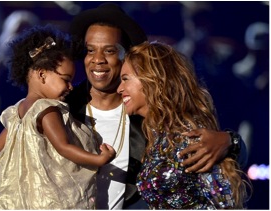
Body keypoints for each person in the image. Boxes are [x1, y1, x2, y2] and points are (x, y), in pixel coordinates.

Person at [67, 3, 248, 209]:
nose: (98, 60)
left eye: (109, 50)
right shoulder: (64, 108)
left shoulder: (145, 116)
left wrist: (230, 141)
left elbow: (223, 179)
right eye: (90, 50)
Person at [0, 24, 116, 209]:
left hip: (27, 196)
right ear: (42, 75)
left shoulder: (17, 111)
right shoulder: (47, 109)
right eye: (66, 79)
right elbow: (64, 146)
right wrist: (98, 159)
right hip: (51, 196)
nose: (71, 87)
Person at [117, 41, 251, 209]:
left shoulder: (191, 135)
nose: (119, 89)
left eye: (125, 79)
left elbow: (225, 204)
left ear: (151, 79)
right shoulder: (158, 136)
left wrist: (231, 140)